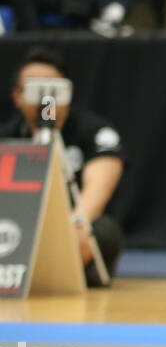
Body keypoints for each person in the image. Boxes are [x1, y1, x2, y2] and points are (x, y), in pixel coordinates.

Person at [0, 46, 125, 284]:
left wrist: (73, 227)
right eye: (33, 88)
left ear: (67, 91)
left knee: (104, 233)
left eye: (52, 87)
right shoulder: (7, 136)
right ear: (17, 96)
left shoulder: (93, 131)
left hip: (73, 228)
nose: (44, 98)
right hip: (13, 229)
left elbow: (100, 185)